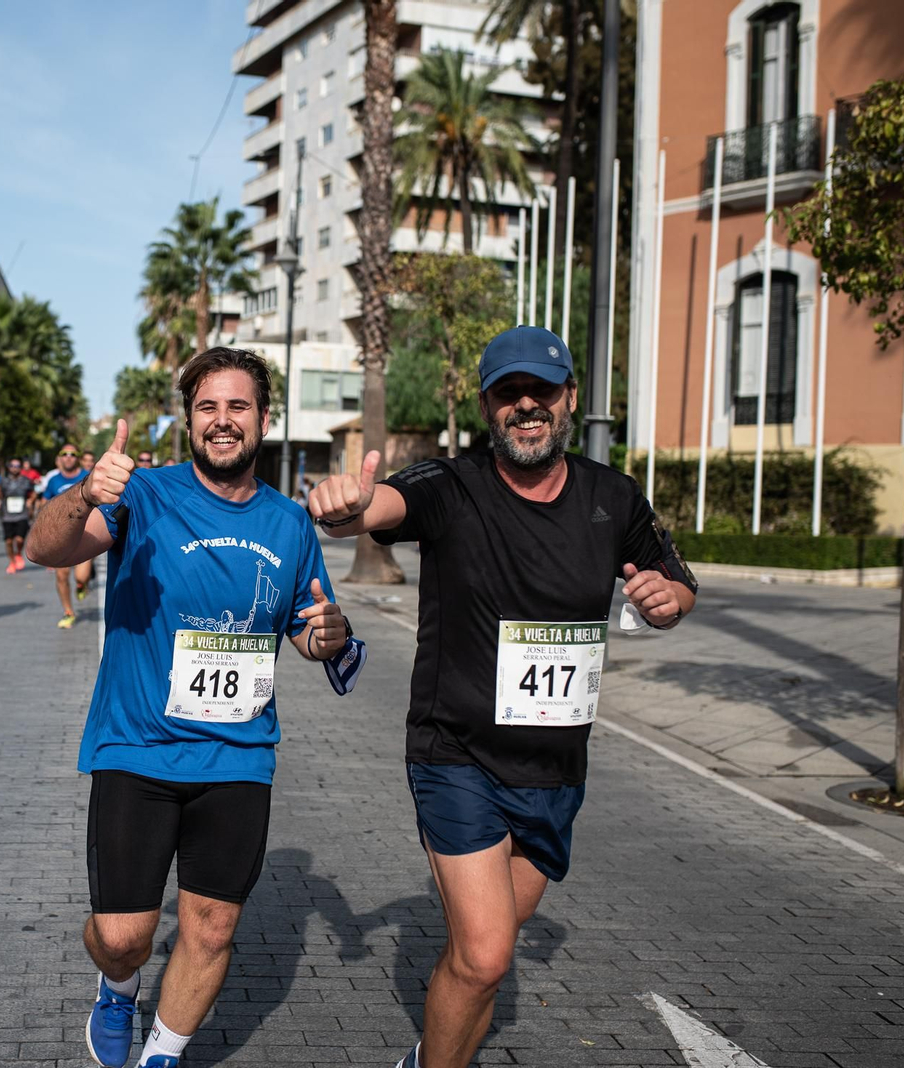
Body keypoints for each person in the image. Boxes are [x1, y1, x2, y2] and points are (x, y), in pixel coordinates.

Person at [306, 326, 698, 1068]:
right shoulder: (454, 487)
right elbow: (382, 506)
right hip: (456, 755)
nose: (526, 405)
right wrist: (344, 507)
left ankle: (431, 1054)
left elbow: (676, 578)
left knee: (484, 947)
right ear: (487, 404)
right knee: (486, 956)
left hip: (555, 771)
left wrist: (666, 599)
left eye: (540, 391)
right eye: (507, 392)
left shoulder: (612, 498)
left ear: (569, 399)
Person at [27, 348, 349, 1068]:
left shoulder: (290, 525)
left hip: (237, 757)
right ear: (189, 421)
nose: (223, 421)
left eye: (238, 407)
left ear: (265, 420)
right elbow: (46, 549)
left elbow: (307, 621)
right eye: (208, 407)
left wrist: (326, 635)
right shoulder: (144, 495)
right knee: (122, 937)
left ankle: (163, 1054)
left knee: (209, 929)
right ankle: (118, 988)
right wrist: (84, 492)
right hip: (137, 747)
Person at [35, 445, 92, 629]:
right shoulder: (53, 481)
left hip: (86, 534)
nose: (68, 457)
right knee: (62, 575)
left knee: (81, 577)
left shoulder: (87, 477)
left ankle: (82, 585)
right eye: (64, 454)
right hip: (62, 536)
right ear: (59, 458)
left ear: (78, 458)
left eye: (72, 454)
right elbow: (44, 505)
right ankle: (68, 611)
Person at [0, 457, 36, 573]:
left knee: (20, 539)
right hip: (7, 515)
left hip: (22, 514)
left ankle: (18, 553)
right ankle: (12, 561)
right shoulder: (4, 481)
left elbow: (34, 492)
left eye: (17, 466)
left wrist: (30, 501)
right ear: (8, 467)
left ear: (21, 468)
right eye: (12, 466)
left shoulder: (26, 481)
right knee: (9, 541)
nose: (14, 468)